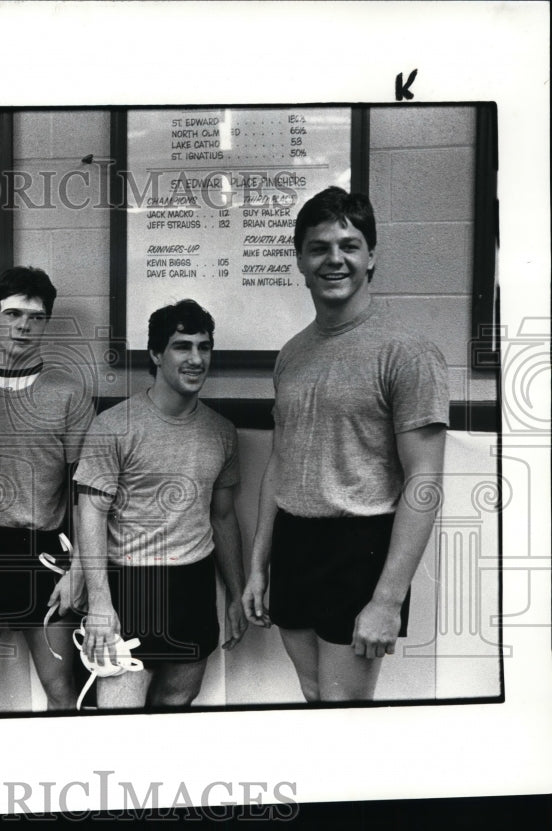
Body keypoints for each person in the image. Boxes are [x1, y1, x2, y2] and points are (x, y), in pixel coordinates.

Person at [242, 187, 449, 702]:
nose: (334, 259)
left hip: (360, 548)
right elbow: (279, 465)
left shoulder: (407, 352)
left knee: (345, 710)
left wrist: (387, 598)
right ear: (300, 261)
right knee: (314, 698)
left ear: (370, 256)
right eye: (319, 247)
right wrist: (258, 567)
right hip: (294, 544)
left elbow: (424, 481)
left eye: (349, 245)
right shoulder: (292, 354)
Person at [74, 299, 248, 709]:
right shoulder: (114, 426)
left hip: (193, 584)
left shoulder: (221, 432)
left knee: (178, 702)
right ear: (155, 354)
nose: (196, 358)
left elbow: (223, 517)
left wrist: (238, 594)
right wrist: (100, 604)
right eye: (182, 346)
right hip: (131, 586)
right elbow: (91, 513)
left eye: (204, 347)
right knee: (119, 719)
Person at [0, 267, 94, 715]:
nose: (23, 326)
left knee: (63, 690)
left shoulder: (68, 393)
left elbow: (84, 491)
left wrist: (79, 569)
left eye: (35, 316)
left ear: (45, 323)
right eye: (12, 313)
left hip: (45, 553)